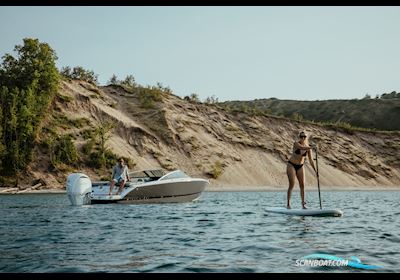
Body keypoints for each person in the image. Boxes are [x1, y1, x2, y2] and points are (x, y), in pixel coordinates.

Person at [286, 130, 317, 209]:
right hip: (291, 165)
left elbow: (311, 161)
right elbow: (301, 147)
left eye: (304, 136)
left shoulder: (308, 148)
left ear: (306, 137)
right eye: (301, 136)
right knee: (292, 184)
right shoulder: (296, 144)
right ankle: (288, 204)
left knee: (302, 185)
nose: (303, 138)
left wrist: (315, 171)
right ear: (299, 137)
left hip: (300, 166)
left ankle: (303, 204)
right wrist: (312, 147)